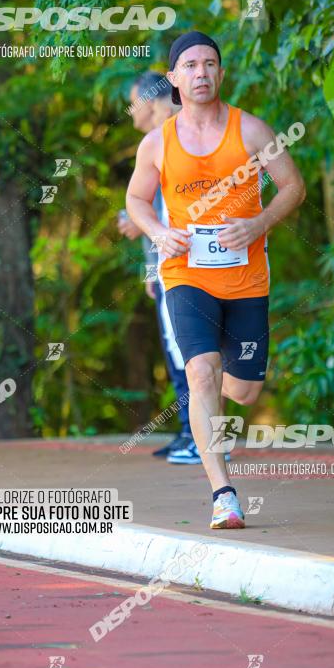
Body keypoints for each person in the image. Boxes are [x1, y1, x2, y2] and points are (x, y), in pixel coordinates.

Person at [126, 31, 306, 528]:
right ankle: (223, 494)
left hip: (247, 279)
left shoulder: (250, 131)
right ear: (173, 79)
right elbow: (136, 201)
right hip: (185, 275)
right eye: (190, 65)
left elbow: (293, 186)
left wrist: (257, 223)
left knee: (243, 392)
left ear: (221, 74)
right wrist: (160, 232)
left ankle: (220, 404)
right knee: (200, 372)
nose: (200, 73)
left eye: (209, 64)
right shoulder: (156, 143)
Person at [117, 71, 198, 463]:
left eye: (132, 103)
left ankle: (201, 437)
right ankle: (189, 432)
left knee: (193, 350)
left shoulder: (184, 133)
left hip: (194, 263)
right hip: (166, 266)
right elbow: (152, 204)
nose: (130, 113)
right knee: (177, 350)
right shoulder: (155, 143)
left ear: (149, 102)